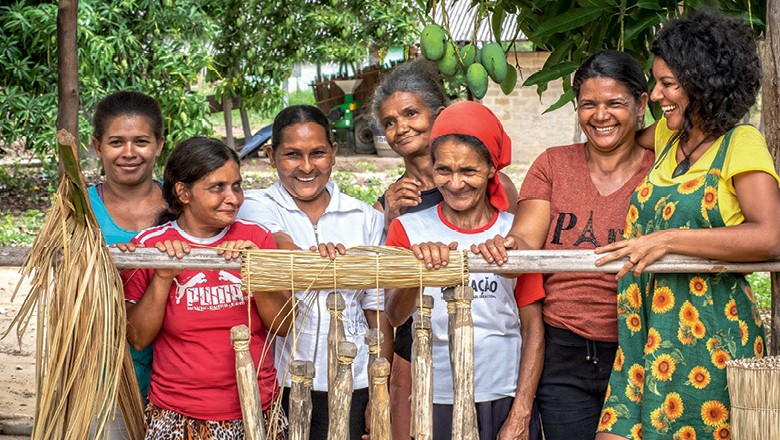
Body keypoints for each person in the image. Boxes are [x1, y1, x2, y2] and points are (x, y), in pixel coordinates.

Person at [594, 12, 780, 439]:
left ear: (704, 83)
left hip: (710, 340)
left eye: (668, 84)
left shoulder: (740, 142)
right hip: (642, 337)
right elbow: (611, 138)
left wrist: (668, 240)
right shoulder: (667, 137)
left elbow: (770, 235)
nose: (656, 95)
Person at [473, 51, 654, 440]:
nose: (600, 115)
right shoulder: (553, 164)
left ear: (641, 105)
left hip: (639, 346)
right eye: (588, 104)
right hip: (563, 351)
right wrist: (508, 246)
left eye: (615, 103)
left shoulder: (661, 170)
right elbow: (526, 238)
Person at [370, 59, 519, 439]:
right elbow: (387, 300)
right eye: (389, 122)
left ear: (439, 115)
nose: (401, 127)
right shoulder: (392, 203)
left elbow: (515, 257)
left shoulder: (492, 185)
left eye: (411, 113)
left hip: (492, 361)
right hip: (416, 350)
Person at [384, 100, 545, 440]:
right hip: (436, 395)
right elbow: (396, 317)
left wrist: (521, 412)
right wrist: (419, 272)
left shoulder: (515, 235)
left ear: (491, 169)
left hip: (503, 393)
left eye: (468, 171)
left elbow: (532, 328)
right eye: (444, 170)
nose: (455, 183)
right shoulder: (409, 230)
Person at [120, 137, 292, 439]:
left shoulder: (257, 239)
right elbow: (137, 338)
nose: (233, 198)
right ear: (183, 192)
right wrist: (162, 276)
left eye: (236, 186)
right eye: (217, 187)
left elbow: (284, 325)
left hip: (255, 406)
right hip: (177, 413)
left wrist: (255, 273)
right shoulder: (150, 246)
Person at [238, 105, 390, 440]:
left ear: (333, 153)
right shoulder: (255, 205)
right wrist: (313, 260)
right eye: (292, 154)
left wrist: (381, 391)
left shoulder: (364, 218)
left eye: (318, 153)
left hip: (356, 377)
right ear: (271, 155)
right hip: (287, 378)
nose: (306, 167)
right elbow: (274, 241)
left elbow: (375, 310)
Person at [89, 90, 166, 438]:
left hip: (177, 378)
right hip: (102, 377)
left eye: (141, 141)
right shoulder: (80, 208)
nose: (129, 153)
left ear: (159, 145)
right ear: (97, 146)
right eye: (116, 142)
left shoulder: (183, 205)